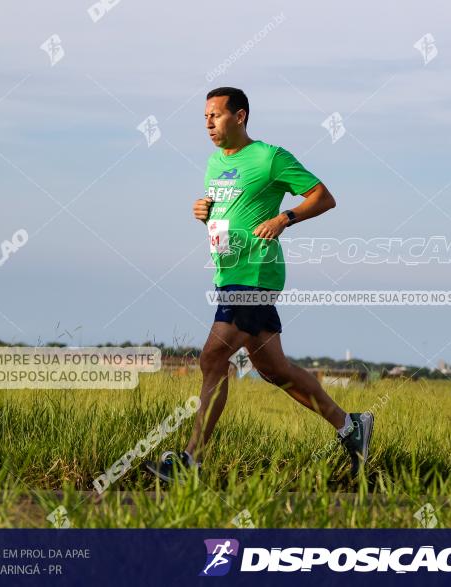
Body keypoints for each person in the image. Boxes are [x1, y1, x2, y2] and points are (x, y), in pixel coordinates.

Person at [145, 87, 373, 482]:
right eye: (204, 118)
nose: (208, 124)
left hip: (256, 273)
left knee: (213, 357)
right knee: (272, 368)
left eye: (215, 116)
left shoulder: (270, 157)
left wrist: (285, 218)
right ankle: (351, 428)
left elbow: (323, 197)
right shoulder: (214, 164)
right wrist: (205, 213)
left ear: (240, 116)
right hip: (228, 273)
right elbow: (227, 214)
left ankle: (190, 463)